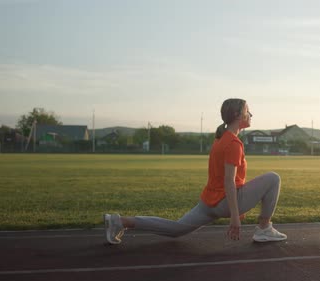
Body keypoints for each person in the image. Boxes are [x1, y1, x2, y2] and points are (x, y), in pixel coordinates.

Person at [103, 98, 287, 244]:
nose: (251, 114)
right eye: (248, 112)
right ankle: (264, 229)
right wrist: (234, 217)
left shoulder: (221, 138)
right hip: (224, 202)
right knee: (273, 178)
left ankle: (121, 221)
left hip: (209, 201)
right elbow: (229, 182)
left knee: (177, 229)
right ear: (238, 115)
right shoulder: (233, 143)